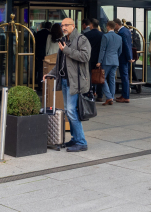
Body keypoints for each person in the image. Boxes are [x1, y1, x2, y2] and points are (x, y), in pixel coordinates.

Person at [45, 17, 90, 152]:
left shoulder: (81, 39)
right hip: (64, 81)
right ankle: (75, 139)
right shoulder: (64, 40)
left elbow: (85, 57)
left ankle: (82, 142)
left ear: (73, 26)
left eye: (66, 25)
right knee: (68, 111)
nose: (63, 27)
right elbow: (60, 62)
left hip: (75, 82)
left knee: (71, 111)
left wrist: (67, 51)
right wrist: (51, 73)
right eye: (62, 25)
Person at [97, 20, 121, 105]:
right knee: (112, 80)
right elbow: (120, 51)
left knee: (102, 79)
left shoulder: (105, 36)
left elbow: (102, 50)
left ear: (108, 26)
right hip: (115, 60)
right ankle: (112, 96)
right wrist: (115, 57)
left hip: (106, 60)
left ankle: (109, 97)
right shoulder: (119, 37)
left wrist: (99, 61)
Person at [114, 19, 133, 102]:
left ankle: (125, 96)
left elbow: (125, 45)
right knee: (125, 76)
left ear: (117, 24)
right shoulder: (127, 30)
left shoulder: (121, 33)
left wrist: (129, 57)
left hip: (123, 57)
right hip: (127, 57)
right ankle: (124, 94)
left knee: (124, 77)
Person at [84, 19, 103, 100]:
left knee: (88, 75)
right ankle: (100, 95)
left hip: (89, 58)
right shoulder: (102, 35)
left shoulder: (86, 34)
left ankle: (89, 92)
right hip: (98, 58)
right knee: (99, 76)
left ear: (91, 25)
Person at [34, 21, 52, 88]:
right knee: (47, 69)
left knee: (40, 70)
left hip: (39, 54)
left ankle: (40, 85)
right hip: (48, 54)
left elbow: (35, 44)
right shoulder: (50, 34)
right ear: (50, 27)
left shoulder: (39, 33)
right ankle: (46, 86)